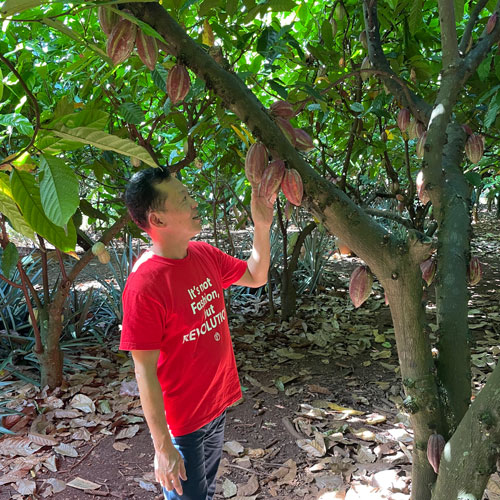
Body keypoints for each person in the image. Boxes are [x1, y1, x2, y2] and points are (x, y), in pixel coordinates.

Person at [120, 166, 274, 499]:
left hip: (215, 407)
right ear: (158, 220)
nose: (194, 203)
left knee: (205, 490)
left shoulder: (203, 254)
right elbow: (143, 370)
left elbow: (255, 275)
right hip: (182, 426)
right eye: (185, 199)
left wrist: (262, 225)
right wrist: (163, 447)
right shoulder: (145, 285)